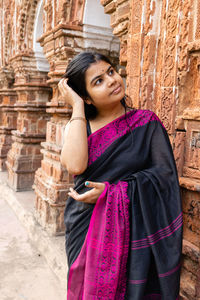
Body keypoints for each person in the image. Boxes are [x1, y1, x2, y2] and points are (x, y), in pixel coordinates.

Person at [58, 52, 182, 300]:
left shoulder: (146, 123)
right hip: (85, 227)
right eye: (98, 81)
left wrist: (112, 194)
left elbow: (164, 177)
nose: (112, 80)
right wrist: (77, 107)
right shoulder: (78, 125)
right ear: (86, 97)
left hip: (134, 229)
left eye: (111, 72)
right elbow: (75, 165)